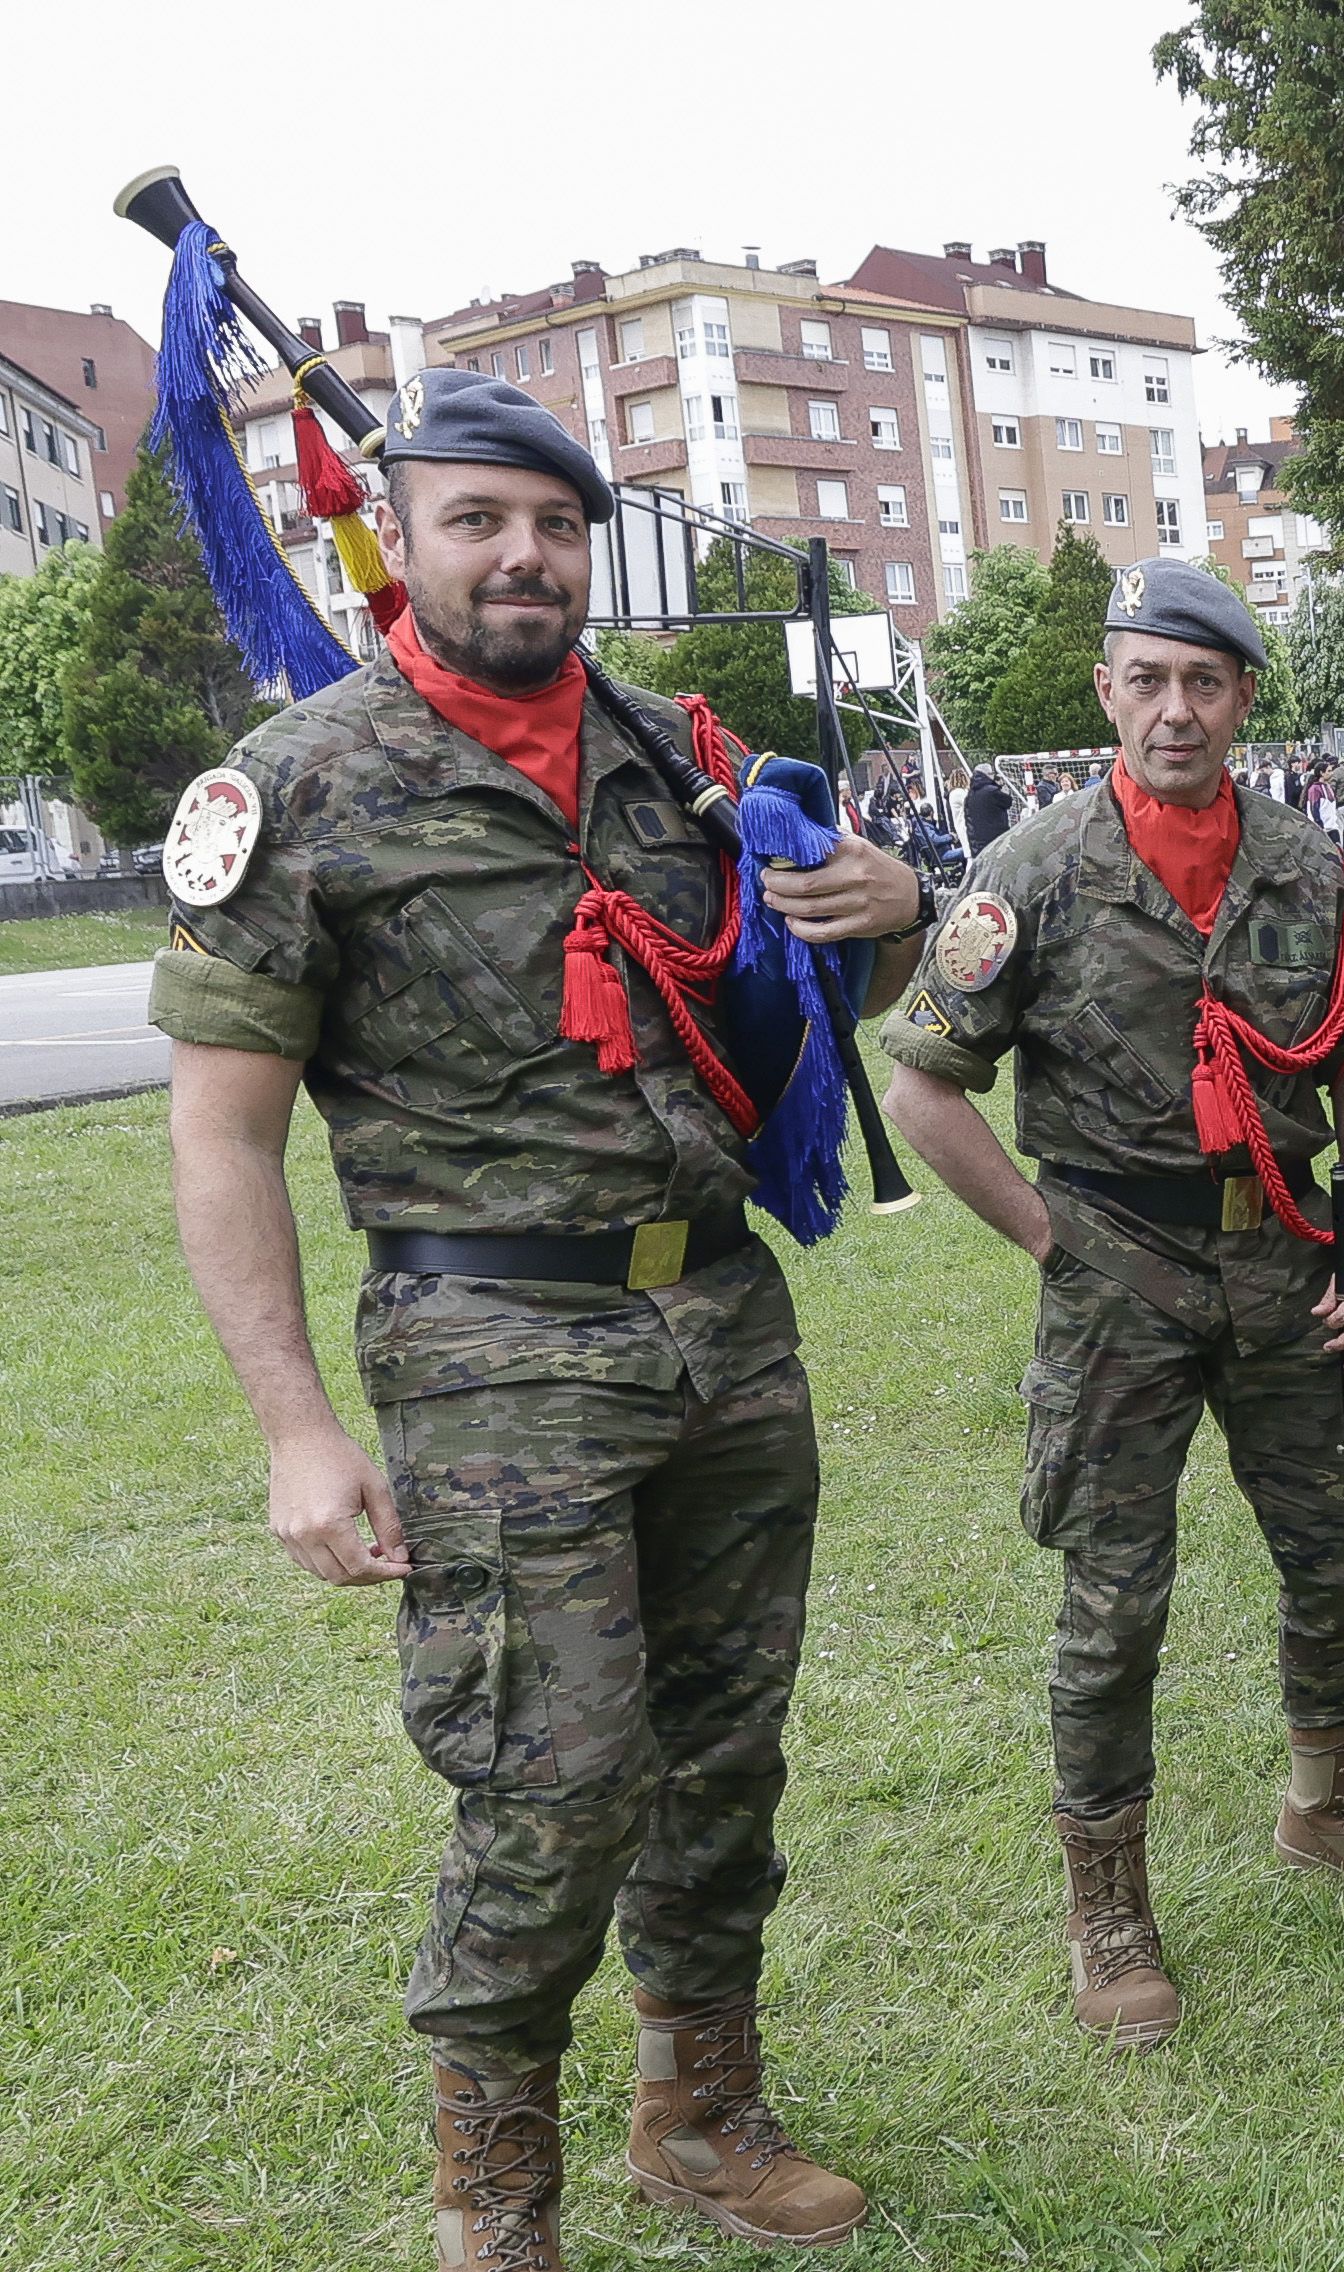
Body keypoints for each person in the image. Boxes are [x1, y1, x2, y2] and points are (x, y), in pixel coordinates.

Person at [148, 371, 929, 2268]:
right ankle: (495, 2191)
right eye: (477, 519)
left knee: (726, 1746)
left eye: (554, 523)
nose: (520, 554)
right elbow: (224, 1133)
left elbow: (802, 980)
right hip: (493, 1343)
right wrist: (293, 1426)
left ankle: (703, 2108)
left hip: (721, 1322)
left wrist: (896, 907)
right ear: (397, 539)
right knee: (550, 1770)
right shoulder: (305, 781)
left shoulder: (678, 759)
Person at [880, 559, 1344, 2058]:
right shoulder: (1035, 869)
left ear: (1246, 697)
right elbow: (922, 1089)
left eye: (1206, 681)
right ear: (1107, 693)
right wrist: (1049, 1240)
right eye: (1149, 679)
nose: (1177, 709)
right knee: (1114, 1602)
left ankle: (1330, 1804)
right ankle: (1108, 1904)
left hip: (1282, 1260)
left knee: (1338, 1550)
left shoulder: (1306, 867)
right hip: (1118, 1272)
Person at [963, 764, 1018, 857]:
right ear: (988, 774)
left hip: (977, 841)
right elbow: (1008, 802)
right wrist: (1002, 787)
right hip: (995, 838)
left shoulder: (970, 795)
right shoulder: (992, 792)